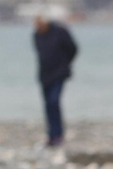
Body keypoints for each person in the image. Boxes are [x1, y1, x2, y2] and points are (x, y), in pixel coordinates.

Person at [32, 13, 79, 147]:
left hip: (59, 74)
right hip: (44, 75)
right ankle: (52, 136)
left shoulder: (60, 32)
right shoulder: (36, 35)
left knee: (54, 102)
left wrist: (64, 64)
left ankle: (58, 135)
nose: (38, 26)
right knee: (48, 105)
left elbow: (73, 49)